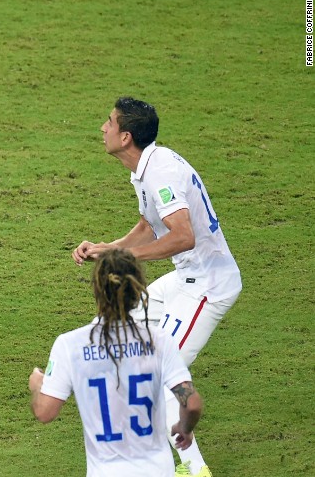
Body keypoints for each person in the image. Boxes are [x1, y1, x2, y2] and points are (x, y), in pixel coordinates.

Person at [71, 96, 240, 477]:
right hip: (184, 279)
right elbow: (150, 226)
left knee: (159, 374)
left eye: (109, 123)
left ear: (126, 136)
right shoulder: (147, 166)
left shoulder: (160, 172)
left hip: (207, 288)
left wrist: (128, 260)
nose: (103, 128)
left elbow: (183, 236)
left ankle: (195, 470)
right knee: (124, 331)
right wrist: (106, 249)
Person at [29, 248, 204, 477]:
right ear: (138, 289)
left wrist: (37, 386)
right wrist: (184, 428)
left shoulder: (70, 345)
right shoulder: (158, 340)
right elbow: (191, 404)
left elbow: (45, 412)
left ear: (96, 289)